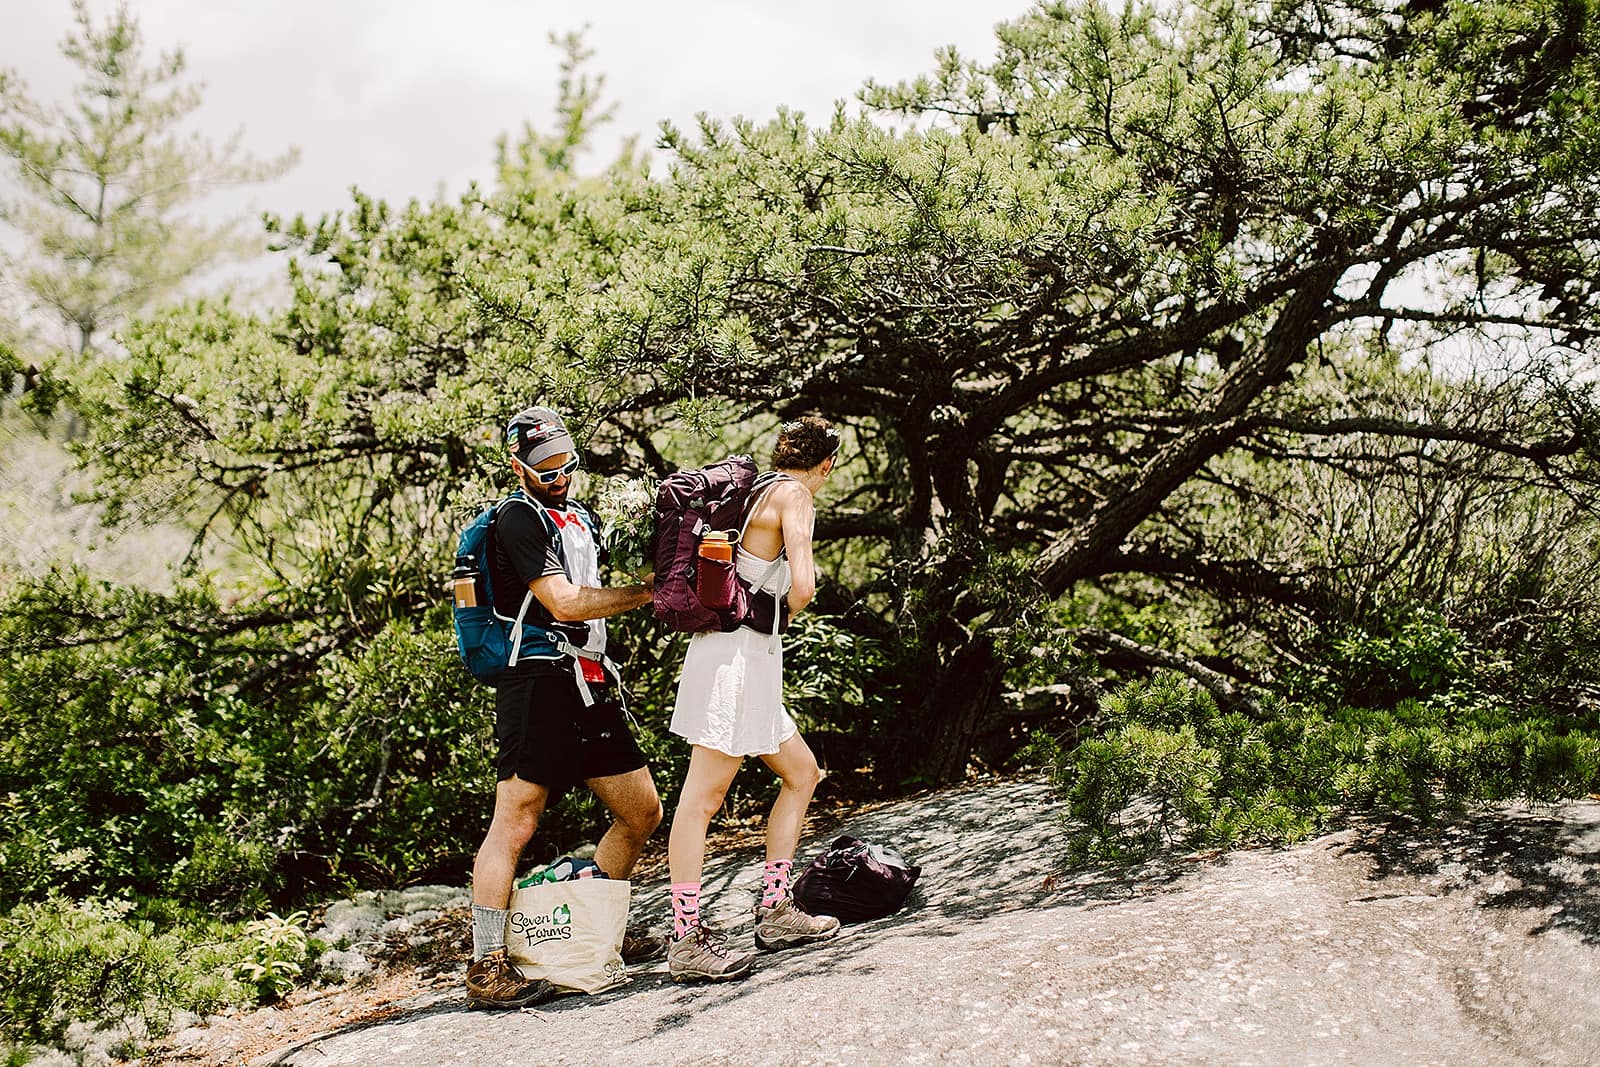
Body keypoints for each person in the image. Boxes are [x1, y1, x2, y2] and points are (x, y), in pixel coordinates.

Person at [465, 406, 665, 1009]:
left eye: (565, 462)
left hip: (587, 680)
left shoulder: (578, 517)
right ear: (517, 464)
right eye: (543, 465)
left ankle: (600, 926)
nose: (557, 474)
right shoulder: (518, 519)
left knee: (642, 812)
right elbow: (567, 602)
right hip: (536, 681)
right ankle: (486, 965)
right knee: (516, 821)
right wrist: (652, 593)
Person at [664, 416, 844, 982]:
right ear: (827, 464)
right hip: (737, 662)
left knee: (803, 773)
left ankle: (774, 909)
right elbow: (805, 584)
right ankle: (686, 939)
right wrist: (783, 612)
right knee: (702, 798)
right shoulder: (795, 495)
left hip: (737, 657)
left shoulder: (756, 488)